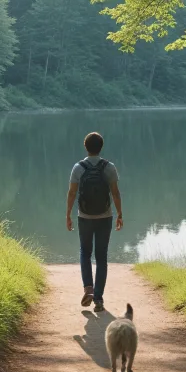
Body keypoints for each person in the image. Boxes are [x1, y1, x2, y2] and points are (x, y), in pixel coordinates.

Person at [66, 132, 123, 312]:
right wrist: (120, 213)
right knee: (101, 257)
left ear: (86, 147)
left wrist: (68, 214)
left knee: (85, 252)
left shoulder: (78, 167)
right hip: (105, 216)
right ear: (101, 146)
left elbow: (72, 193)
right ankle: (98, 299)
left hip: (84, 216)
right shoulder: (109, 167)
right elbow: (115, 193)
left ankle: (88, 288)